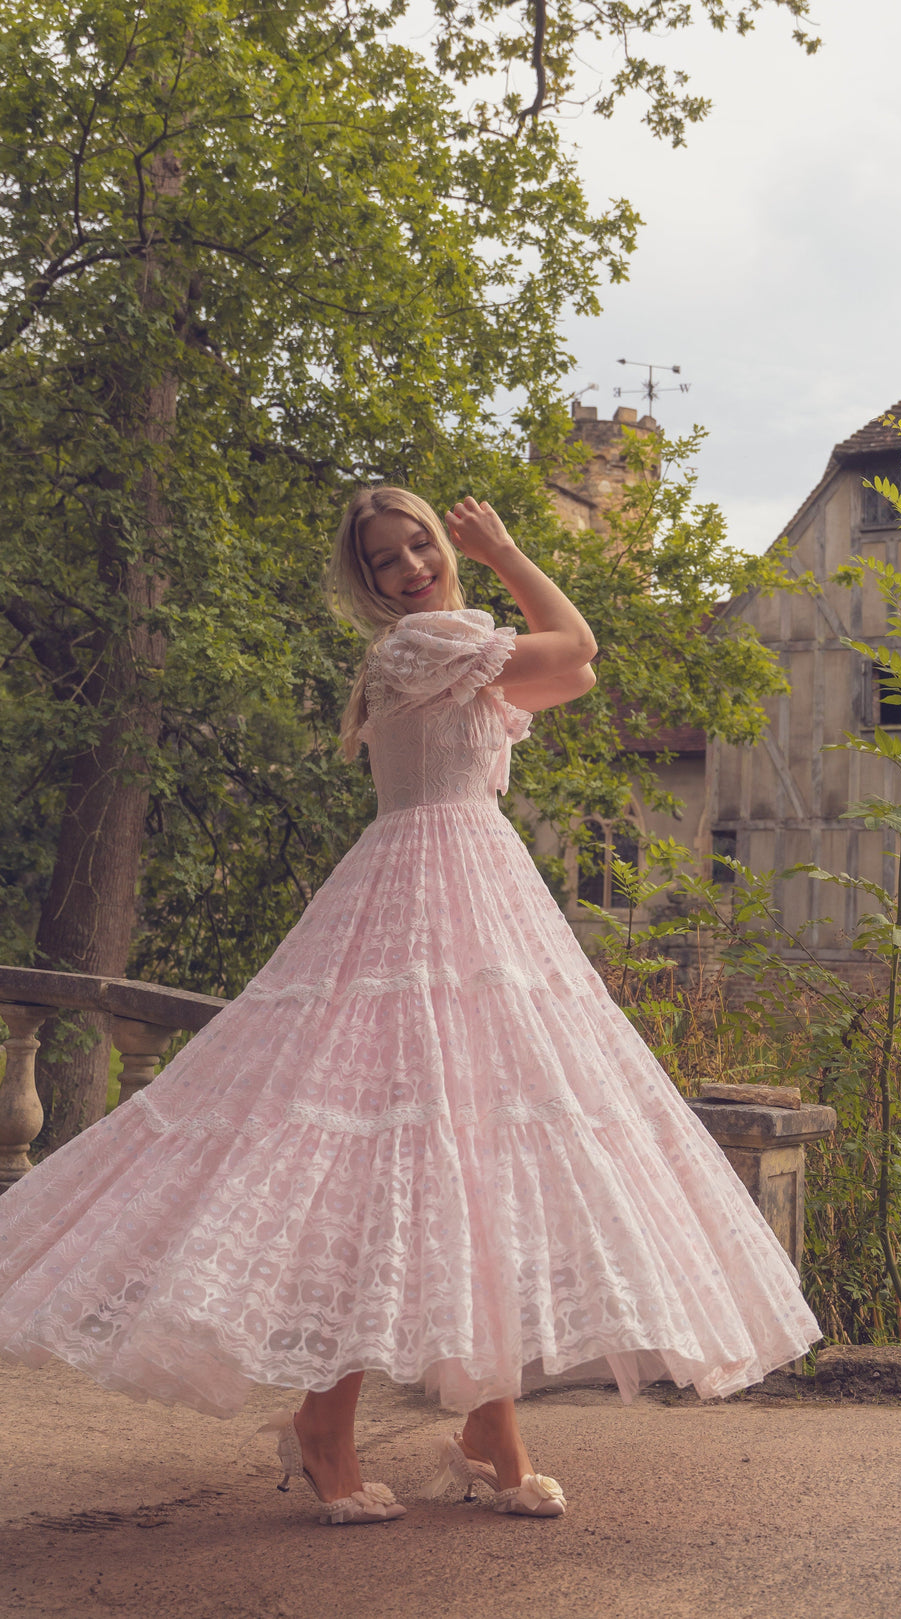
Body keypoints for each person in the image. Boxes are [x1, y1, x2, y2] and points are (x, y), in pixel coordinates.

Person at [0, 489, 820, 1526]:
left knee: (476, 1158)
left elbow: (577, 668)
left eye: (420, 543)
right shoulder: (422, 647)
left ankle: (490, 1428)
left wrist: (497, 567)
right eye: (385, 559)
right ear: (371, 582)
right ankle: (326, 1425)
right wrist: (510, 549)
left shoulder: (454, 645)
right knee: (375, 1162)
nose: (410, 567)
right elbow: (578, 640)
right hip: (421, 903)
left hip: (478, 900)